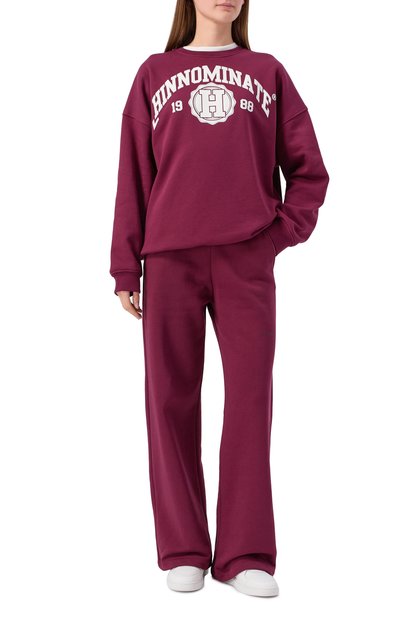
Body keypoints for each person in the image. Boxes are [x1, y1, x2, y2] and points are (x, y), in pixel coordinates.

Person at [109, 0, 329, 598]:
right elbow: (133, 174)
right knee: (169, 400)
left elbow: (310, 172)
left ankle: (245, 555)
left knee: (251, 400)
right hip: (169, 259)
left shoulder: (268, 72)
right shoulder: (154, 73)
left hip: (245, 259)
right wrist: (126, 265)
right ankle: (183, 549)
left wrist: (275, 236)